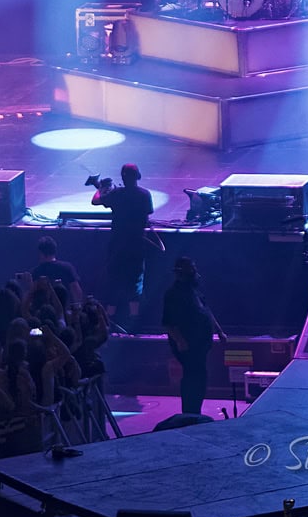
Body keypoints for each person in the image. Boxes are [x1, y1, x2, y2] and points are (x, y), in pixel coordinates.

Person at [162, 256, 227, 417]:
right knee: (192, 376)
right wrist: (180, 341)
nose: (196, 272)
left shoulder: (195, 291)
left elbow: (207, 311)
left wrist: (219, 331)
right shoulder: (173, 294)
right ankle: (190, 412)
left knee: (200, 376)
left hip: (201, 343)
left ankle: (195, 411)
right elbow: (168, 323)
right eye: (192, 268)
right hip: (189, 345)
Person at [91, 163, 154, 328]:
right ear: (137, 176)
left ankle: (109, 321)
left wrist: (101, 188)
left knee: (113, 281)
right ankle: (134, 319)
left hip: (117, 245)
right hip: (137, 244)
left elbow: (95, 201)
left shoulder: (117, 194)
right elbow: (148, 213)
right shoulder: (144, 194)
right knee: (135, 281)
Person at [30, 236, 83, 304]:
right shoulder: (67, 267)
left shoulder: (36, 272)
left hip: (44, 309)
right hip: (65, 308)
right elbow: (76, 290)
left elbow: (31, 295)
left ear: (41, 253)